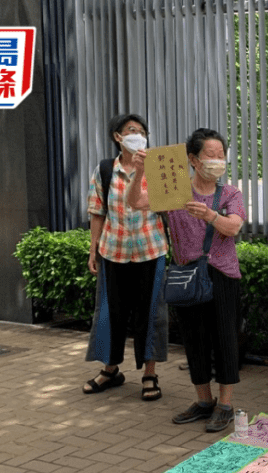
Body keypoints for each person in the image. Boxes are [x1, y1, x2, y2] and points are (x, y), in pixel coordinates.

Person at [127, 128, 246, 432]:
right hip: (186, 275)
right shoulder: (175, 192)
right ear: (192, 159)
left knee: (225, 340)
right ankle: (203, 401)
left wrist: (210, 216)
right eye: (211, 155)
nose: (217, 161)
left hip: (222, 276)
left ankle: (225, 405)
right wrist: (138, 171)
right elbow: (136, 202)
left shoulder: (230, 193)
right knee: (194, 340)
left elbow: (233, 227)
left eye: (221, 155)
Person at [83, 113, 168, 401]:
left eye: (142, 131)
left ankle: (149, 373)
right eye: (131, 130)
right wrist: (93, 249)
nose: (138, 135)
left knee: (151, 314)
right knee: (110, 313)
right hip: (113, 251)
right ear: (118, 137)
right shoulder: (105, 169)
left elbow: (175, 204)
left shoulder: (159, 166)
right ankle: (110, 370)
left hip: (151, 250)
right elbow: (97, 212)